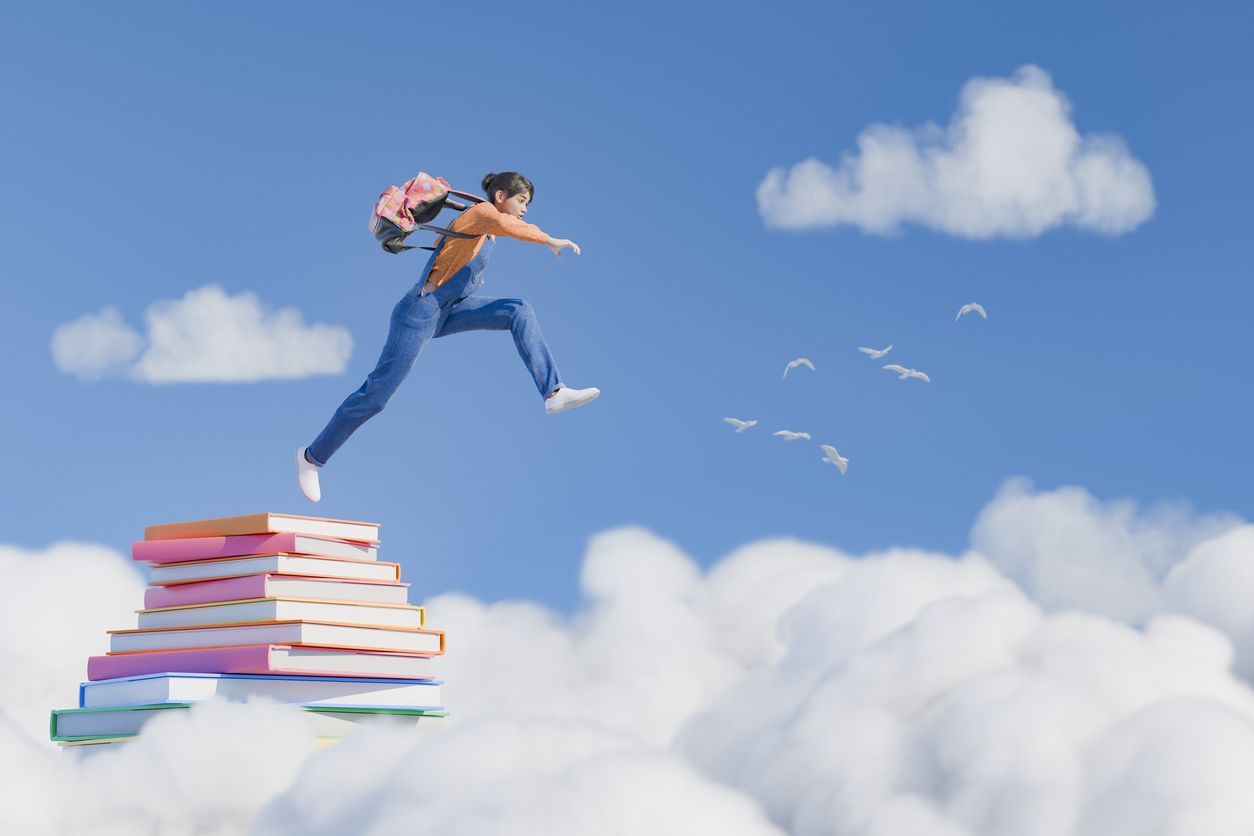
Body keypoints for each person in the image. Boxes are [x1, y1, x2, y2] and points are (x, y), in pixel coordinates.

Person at [294, 171, 598, 502]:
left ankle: (553, 392)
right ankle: (311, 457)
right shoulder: (481, 214)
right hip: (419, 312)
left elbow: (506, 230)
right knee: (376, 396)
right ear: (500, 196)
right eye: (521, 201)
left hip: (454, 309)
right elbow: (514, 227)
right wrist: (549, 239)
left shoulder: (489, 229)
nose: (525, 210)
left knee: (518, 310)